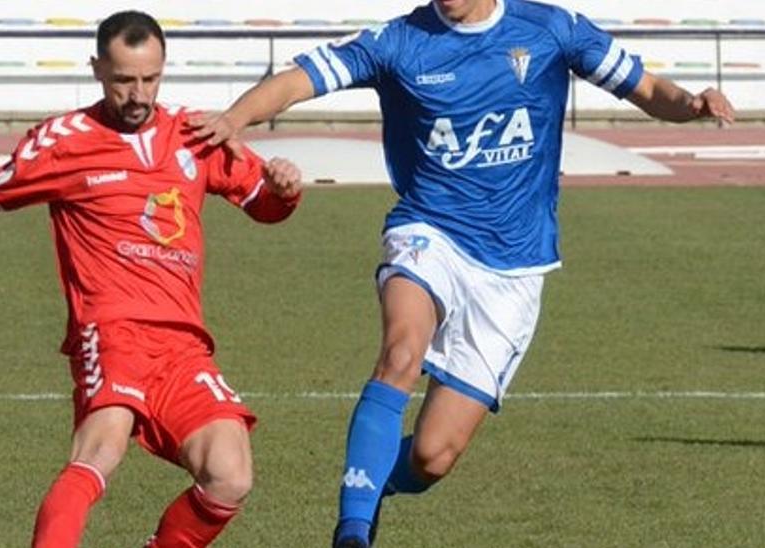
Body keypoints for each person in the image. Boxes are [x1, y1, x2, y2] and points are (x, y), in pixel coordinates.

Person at [189, 1, 735, 546]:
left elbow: (644, 88)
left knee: (433, 457)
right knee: (401, 351)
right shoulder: (398, 42)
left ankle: (376, 485)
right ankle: (352, 532)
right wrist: (235, 118)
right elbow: (301, 79)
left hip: (515, 265)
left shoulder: (552, 29)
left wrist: (692, 103)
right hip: (429, 232)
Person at [0, 11, 304, 548]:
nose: (138, 93)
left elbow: (263, 206)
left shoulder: (194, 136)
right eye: (124, 79)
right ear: (97, 69)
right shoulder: (62, 142)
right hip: (112, 330)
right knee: (102, 449)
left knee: (230, 472)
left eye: (150, 78)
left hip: (182, 344)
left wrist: (284, 192)